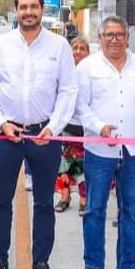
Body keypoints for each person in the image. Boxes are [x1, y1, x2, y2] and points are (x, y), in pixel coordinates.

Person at [0, 0, 77, 269]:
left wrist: (56, 127)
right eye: (23, 7)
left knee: (45, 202)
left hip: (44, 135)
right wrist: (0, 122)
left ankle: (41, 262)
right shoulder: (0, 45)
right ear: (16, 11)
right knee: (1, 201)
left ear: (41, 11)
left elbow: (68, 90)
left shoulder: (59, 46)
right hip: (7, 134)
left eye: (34, 7)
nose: (29, 12)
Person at [75, 17, 135, 269]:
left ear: (127, 37)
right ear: (99, 38)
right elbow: (80, 107)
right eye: (108, 35)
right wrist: (99, 127)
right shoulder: (87, 67)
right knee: (94, 209)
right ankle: (93, 264)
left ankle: (128, 266)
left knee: (130, 211)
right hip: (99, 151)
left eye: (119, 35)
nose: (114, 39)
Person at [56, 37, 91, 215]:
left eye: (82, 48)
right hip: (64, 128)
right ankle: (65, 196)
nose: (77, 51)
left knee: (81, 168)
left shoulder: (92, 73)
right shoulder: (63, 71)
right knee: (63, 167)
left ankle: (84, 200)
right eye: (74, 48)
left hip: (84, 130)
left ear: (88, 52)